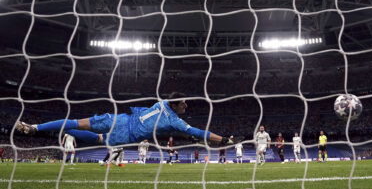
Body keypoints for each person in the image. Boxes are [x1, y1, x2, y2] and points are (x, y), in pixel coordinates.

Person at [15, 92, 233, 147]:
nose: (186, 106)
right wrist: (222, 139)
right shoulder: (176, 121)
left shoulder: (162, 101)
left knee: (77, 122)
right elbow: (197, 132)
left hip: (121, 118)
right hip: (126, 133)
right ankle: (53, 130)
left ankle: (35, 127)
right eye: (184, 103)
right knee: (98, 140)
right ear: (176, 105)